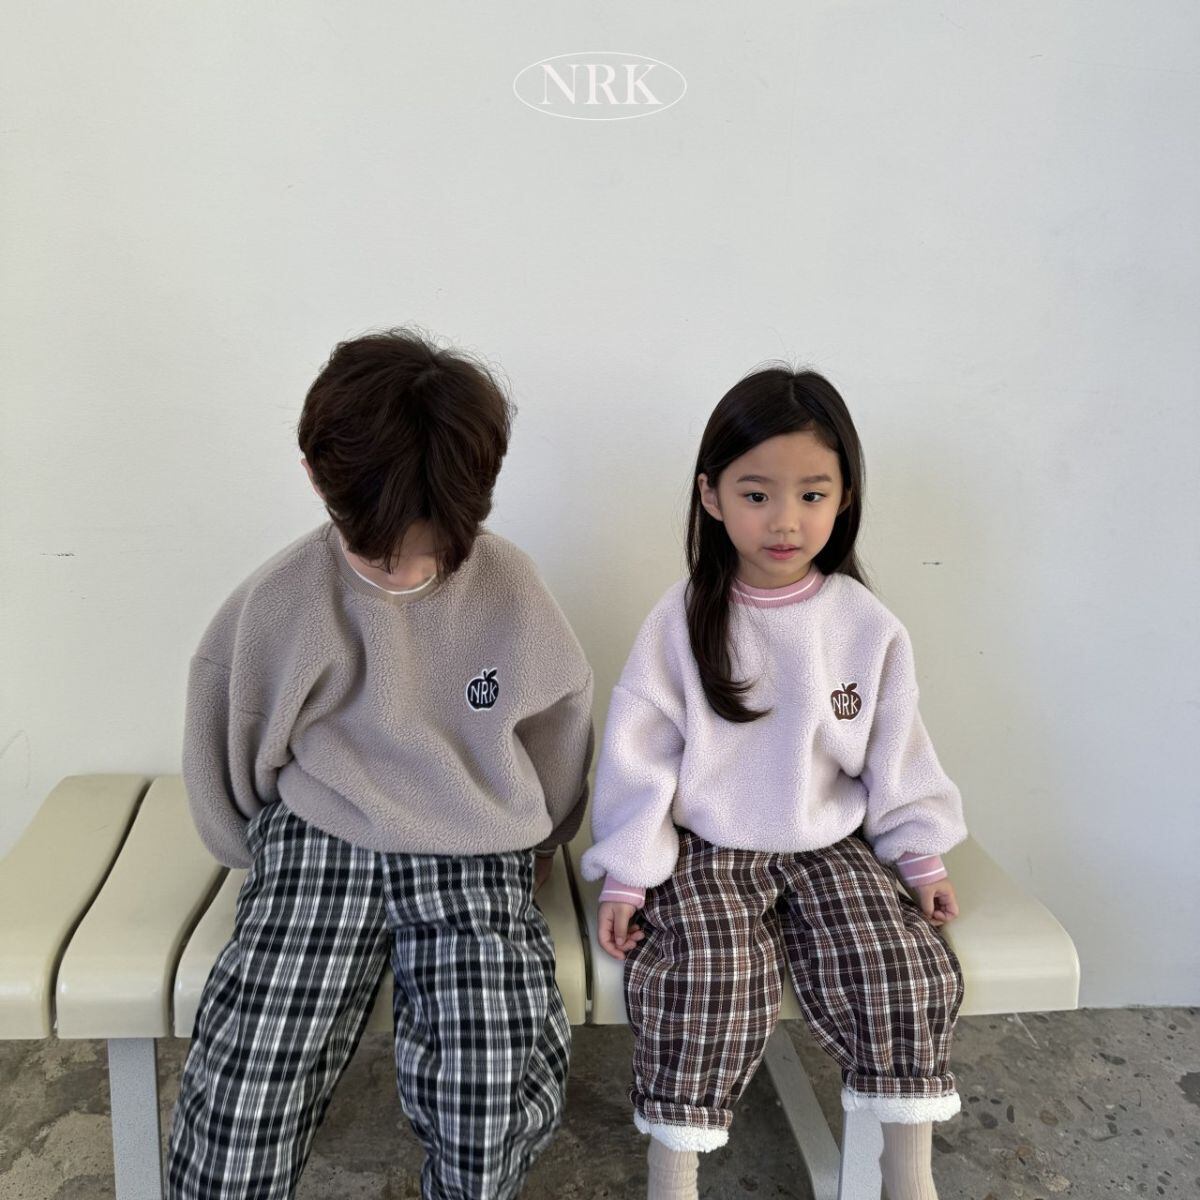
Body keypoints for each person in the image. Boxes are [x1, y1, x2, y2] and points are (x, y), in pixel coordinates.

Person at [167, 328, 594, 1200]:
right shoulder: (283, 597)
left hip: (475, 843)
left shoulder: (513, 589)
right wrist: (256, 853)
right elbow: (227, 739)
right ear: (316, 477)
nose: (404, 571)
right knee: (253, 1063)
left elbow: (558, 728)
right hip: (319, 835)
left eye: (432, 547)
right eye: (379, 549)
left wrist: (545, 838)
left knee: (491, 1071)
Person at [580, 365, 966, 1200]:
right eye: (757, 495)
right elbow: (641, 758)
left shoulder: (865, 624)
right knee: (706, 979)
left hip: (831, 844)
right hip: (709, 848)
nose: (785, 521)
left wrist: (920, 856)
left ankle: (907, 1175)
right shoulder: (682, 619)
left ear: (845, 497)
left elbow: (897, 754)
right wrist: (627, 875)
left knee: (904, 966)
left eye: (812, 495)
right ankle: (673, 1177)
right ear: (712, 497)